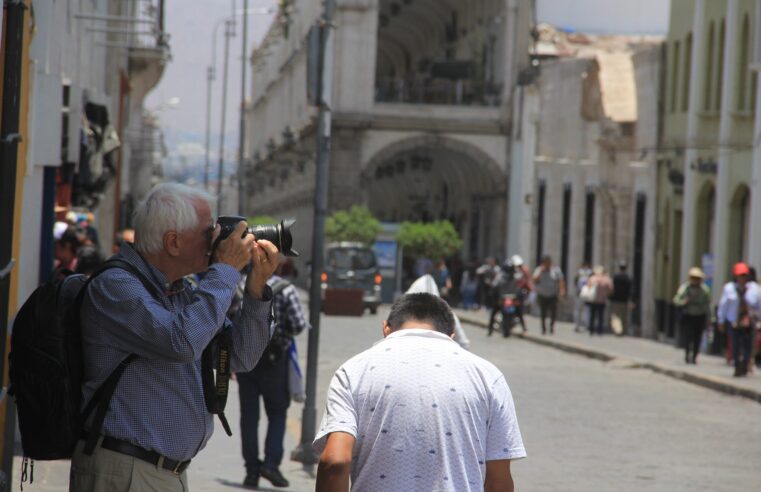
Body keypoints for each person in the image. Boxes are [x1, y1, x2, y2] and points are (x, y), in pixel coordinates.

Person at [70, 183, 279, 492]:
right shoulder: (116, 286)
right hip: (124, 472)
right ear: (173, 242)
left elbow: (240, 357)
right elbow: (181, 342)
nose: (215, 241)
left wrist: (256, 288)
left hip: (165, 473)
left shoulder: (182, 292)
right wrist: (224, 269)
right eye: (208, 233)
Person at [313, 293, 526, 492]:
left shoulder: (353, 371)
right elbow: (498, 481)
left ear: (385, 329)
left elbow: (335, 461)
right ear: (451, 336)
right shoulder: (488, 376)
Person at [237, 260, 310, 489]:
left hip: (245, 362)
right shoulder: (285, 289)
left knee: (248, 417)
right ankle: (271, 465)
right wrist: (281, 334)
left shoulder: (239, 286)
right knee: (277, 414)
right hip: (275, 361)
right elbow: (298, 324)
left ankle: (251, 471)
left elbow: (228, 321)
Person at [718, 262, 761, 377]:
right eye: (740, 275)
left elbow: (759, 306)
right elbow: (723, 305)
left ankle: (745, 365)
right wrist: (721, 320)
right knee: (736, 346)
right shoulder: (729, 288)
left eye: (744, 275)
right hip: (734, 322)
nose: (742, 278)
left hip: (749, 322)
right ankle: (737, 367)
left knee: (748, 346)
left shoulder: (754, 289)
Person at [673, 267, 712, 364]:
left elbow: (708, 305)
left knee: (697, 337)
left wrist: (710, 318)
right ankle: (687, 355)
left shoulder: (704, 290)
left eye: (697, 278)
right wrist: (684, 302)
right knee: (688, 336)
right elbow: (676, 300)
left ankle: (694, 356)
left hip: (700, 316)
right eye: (693, 278)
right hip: (689, 315)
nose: (695, 280)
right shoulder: (685, 288)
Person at [532, 255, 566, 335]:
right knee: (543, 312)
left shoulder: (555, 270)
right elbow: (534, 280)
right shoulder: (538, 270)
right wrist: (541, 272)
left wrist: (562, 290)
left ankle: (551, 326)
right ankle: (543, 328)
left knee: (553, 312)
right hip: (542, 294)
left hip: (552, 294)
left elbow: (561, 280)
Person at [586, 266, 613, 336]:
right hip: (602, 300)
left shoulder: (592, 278)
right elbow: (611, 289)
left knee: (592, 315)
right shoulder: (606, 279)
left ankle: (591, 329)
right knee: (601, 316)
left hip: (593, 300)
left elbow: (588, 287)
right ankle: (599, 330)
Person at [609, 261, 633, 336]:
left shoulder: (615, 277)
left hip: (615, 299)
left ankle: (617, 331)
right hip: (624, 300)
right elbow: (631, 290)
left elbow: (611, 288)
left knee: (616, 316)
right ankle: (623, 331)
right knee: (623, 316)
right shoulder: (628, 278)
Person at [573, 262, 592, 332]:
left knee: (578, 310)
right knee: (587, 310)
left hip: (579, 294)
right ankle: (586, 325)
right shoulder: (590, 273)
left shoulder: (579, 273)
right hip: (587, 295)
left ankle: (577, 326)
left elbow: (575, 283)